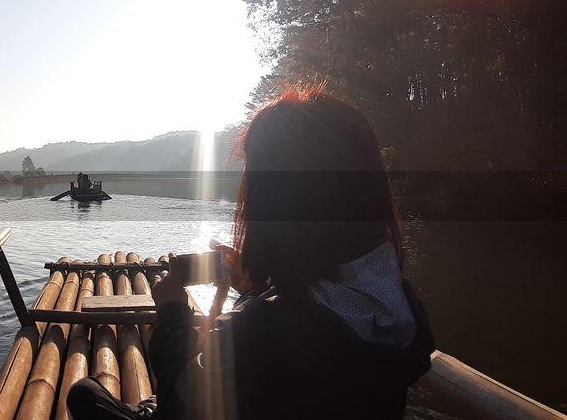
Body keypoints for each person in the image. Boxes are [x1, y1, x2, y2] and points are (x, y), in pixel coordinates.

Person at [68, 85, 435, 420]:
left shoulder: (256, 330)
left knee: (83, 393)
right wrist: (258, 288)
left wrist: (172, 312)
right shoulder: (396, 303)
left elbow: (182, 407)